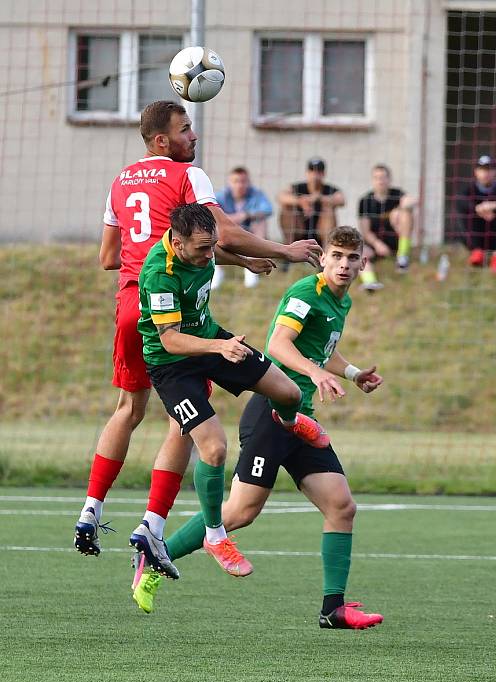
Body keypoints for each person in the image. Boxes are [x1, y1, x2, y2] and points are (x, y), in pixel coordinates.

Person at [73, 100, 321, 559]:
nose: (195, 136)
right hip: (175, 315)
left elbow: (109, 257)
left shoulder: (120, 181)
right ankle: (155, 523)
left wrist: (218, 259)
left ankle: (90, 509)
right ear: (162, 140)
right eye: (186, 130)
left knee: (128, 409)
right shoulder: (189, 176)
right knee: (186, 422)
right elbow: (222, 233)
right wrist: (285, 251)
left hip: (130, 300)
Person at [135, 225, 384, 631]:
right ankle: (153, 560)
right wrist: (314, 374)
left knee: (341, 506)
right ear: (322, 259)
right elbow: (280, 345)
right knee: (239, 511)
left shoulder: (342, 302)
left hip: (302, 417)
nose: (343, 265)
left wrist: (353, 373)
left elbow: (323, 347)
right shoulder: (307, 294)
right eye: (336, 256)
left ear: (363, 263)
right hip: (272, 414)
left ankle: (333, 608)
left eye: (351, 259)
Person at [129, 203, 329, 582]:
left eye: (212, 246)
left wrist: (245, 262)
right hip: (173, 366)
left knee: (287, 393)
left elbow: (215, 250)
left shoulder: (200, 246)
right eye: (202, 249)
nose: (208, 255)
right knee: (215, 447)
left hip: (210, 340)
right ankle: (215, 536)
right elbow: (170, 340)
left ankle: (289, 424)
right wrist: (219, 348)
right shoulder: (159, 272)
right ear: (177, 242)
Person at [454, 154, 496, 274]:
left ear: (495, 172)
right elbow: (460, 201)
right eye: (482, 170)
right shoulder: (470, 189)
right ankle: (477, 252)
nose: (486, 174)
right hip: (476, 234)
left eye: (489, 170)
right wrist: (478, 209)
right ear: (476, 172)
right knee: (465, 212)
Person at [356, 164, 417, 290]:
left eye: (383, 177)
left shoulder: (397, 194)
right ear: (372, 180)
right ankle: (370, 282)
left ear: (389, 179)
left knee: (406, 213)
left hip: (395, 240)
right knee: (358, 253)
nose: (380, 181)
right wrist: (377, 244)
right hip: (374, 242)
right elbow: (365, 231)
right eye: (377, 177)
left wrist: (399, 209)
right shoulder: (365, 200)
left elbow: (412, 200)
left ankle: (402, 257)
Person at [212, 166, 274, 289]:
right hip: (227, 233)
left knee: (261, 222)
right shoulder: (221, 196)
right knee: (213, 226)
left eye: (243, 181)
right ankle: (217, 270)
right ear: (230, 182)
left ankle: (252, 267)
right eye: (236, 181)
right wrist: (234, 218)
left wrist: (246, 215)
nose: (240, 185)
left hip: (249, 232)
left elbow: (268, 209)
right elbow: (209, 211)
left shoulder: (256, 194)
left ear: (248, 182)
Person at [277, 158, 345, 249]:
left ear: (324, 174)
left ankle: (326, 250)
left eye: (318, 172)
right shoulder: (297, 187)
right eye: (312, 171)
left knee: (328, 208)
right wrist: (300, 201)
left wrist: (319, 199)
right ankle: (289, 247)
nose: (315, 175)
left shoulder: (330, 189)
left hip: (320, 234)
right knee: (287, 208)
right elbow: (281, 197)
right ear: (307, 173)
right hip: (299, 230)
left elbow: (341, 200)